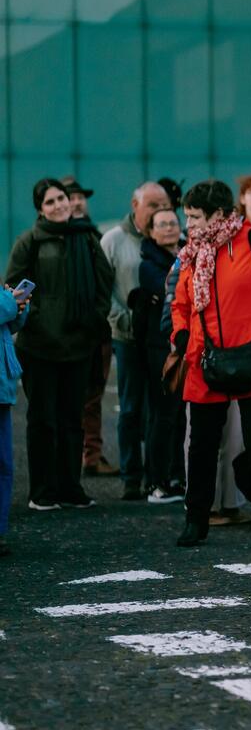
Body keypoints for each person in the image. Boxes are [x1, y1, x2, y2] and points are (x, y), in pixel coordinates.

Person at [170, 180, 251, 549]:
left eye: (195, 216)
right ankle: (196, 520)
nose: (188, 224)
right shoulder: (193, 250)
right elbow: (180, 302)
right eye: (187, 216)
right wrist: (181, 336)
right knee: (201, 445)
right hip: (205, 359)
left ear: (218, 214)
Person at [5, 179, 112, 511]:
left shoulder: (87, 237)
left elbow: (103, 283)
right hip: (39, 347)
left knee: (72, 420)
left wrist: (94, 319)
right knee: (42, 420)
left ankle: (70, 488)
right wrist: (39, 320)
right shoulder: (29, 241)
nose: (59, 205)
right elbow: (14, 288)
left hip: (79, 345)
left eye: (61, 198)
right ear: (40, 209)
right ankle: (42, 491)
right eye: (50, 202)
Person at [102, 181, 172, 499]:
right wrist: (122, 320)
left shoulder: (168, 240)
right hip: (128, 337)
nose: (160, 211)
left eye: (164, 206)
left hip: (160, 340)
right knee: (130, 408)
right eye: (153, 205)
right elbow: (104, 291)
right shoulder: (113, 240)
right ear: (135, 205)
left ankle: (159, 476)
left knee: (160, 409)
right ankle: (131, 476)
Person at [128, 207, 186, 503]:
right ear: (150, 232)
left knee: (181, 416)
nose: (169, 228)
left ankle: (177, 476)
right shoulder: (148, 265)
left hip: (184, 344)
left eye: (173, 222)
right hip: (160, 348)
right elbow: (173, 292)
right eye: (161, 225)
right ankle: (156, 482)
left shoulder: (188, 253)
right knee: (162, 415)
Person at [64, 177, 117, 478]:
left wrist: (100, 317)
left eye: (80, 197)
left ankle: (92, 456)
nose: (76, 202)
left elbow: (105, 282)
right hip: (67, 334)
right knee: (69, 399)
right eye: (70, 197)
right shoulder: (49, 239)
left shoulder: (94, 235)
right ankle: (72, 459)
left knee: (93, 396)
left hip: (98, 331)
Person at [0, 284, 30, 556]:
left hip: (3, 388)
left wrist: (20, 307)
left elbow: (9, 324)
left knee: (5, 466)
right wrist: (10, 301)